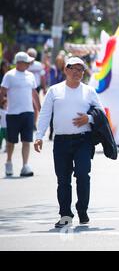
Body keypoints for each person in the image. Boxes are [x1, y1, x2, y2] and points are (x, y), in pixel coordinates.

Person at [34, 57, 104, 228]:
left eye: (80, 69)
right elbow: (45, 114)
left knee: (82, 175)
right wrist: (39, 135)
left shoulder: (89, 91)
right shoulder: (54, 90)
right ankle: (65, 214)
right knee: (63, 180)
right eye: (73, 68)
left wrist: (89, 117)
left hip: (83, 140)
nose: (77, 72)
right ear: (66, 70)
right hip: (61, 141)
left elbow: (101, 114)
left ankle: (82, 210)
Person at [1, 52, 40, 177]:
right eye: (27, 62)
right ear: (19, 63)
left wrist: (39, 107)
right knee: (11, 141)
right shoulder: (9, 75)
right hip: (13, 113)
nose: (29, 64)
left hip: (28, 112)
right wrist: (2, 103)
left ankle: (25, 166)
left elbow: (34, 93)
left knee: (26, 140)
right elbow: (2, 91)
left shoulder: (30, 76)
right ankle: (9, 162)